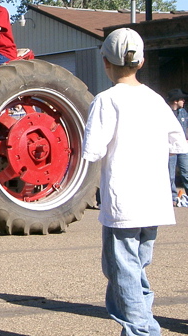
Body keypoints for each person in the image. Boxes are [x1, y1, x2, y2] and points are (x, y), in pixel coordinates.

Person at [82, 28, 188, 336]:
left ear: (105, 62)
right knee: (135, 268)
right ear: (141, 62)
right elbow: (178, 142)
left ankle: (142, 330)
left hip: (123, 202)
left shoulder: (106, 100)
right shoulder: (155, 100)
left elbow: (94, 150)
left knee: (121, 270)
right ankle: (139, 323)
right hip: (154, 200)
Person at [166, 88, 188, 204]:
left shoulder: (183, 112)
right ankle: (172, 197)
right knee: (170, 174)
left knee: (186, 172)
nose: (183, 101)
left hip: (183, 146)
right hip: (169, 147)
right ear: (175, 101)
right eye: (181, 99)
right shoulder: (165, 112)